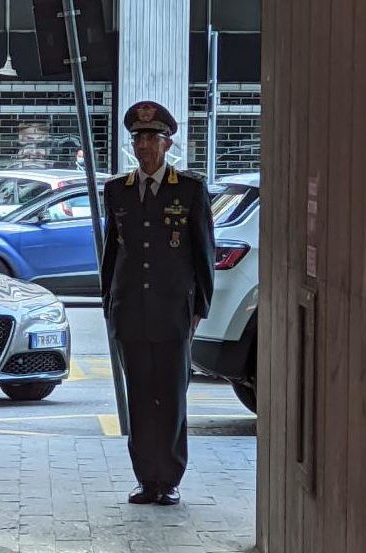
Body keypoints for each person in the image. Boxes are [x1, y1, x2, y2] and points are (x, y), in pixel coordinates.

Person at [100, 100, 215, 506]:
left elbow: (203, 253)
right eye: (139, 138)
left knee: (170, 397)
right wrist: (108, 303)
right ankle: (145, 477)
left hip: (172, 312)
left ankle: (169, 478)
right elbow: (111, 255)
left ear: (168, 144)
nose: (145, 145)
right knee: (140, 397)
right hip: (130, 310)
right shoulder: (117, 191)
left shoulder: (189, 189)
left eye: (153, 138)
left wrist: (200, 306)